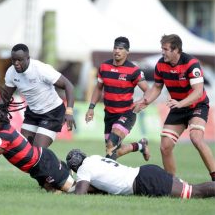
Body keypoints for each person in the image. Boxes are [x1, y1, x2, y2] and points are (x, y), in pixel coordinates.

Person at [134, 34, 215, 181]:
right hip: (178, 107)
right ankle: (171, 184)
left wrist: (180, 103)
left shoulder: (191, 63)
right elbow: (157, 87)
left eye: (165, 49)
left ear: (176, 50)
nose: (162, 52)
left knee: (196, 138)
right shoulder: (160, 64)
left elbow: (198, 92)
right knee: (165, 146)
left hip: (197, 105)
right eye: (162, 49)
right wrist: (145, 101)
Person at [0, 98, 75, 193]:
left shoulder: (3, 135)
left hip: (44, 163)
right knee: (54, 193)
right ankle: (66, 170)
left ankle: (80, 174)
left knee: (75, 191)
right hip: (35, 169)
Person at [0, 43, 76, 147]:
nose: (16, 63)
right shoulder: (11, 72)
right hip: (33, 113)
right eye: (13, 60)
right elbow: (5, 97)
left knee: (38, 152)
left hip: (53, 113)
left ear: (28, 58)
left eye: (19, 60)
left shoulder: (41, 69)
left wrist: (69, 111)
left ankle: (58, 164)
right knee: (24, 151)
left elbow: (68, 85)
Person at [85, 36, 150, 161]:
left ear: (127, 52)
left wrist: (142, 103)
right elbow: (98, 88)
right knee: (112, 153)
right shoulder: (104, 67)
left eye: (121, 48)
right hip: (109, 114)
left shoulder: (133, 70)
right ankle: (141, 145)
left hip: (127, 113)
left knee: (111, 145)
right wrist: (91, 107)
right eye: (115, 48)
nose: (117, 51)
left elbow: (148, 90)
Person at [66, 149, 215, 198]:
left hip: (145, 181)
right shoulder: (94, 159)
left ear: (74, 168)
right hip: (146, 172)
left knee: (195, 192)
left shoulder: (83, 170)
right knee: (191, 188)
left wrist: (64, 191)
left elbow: (80, 193)